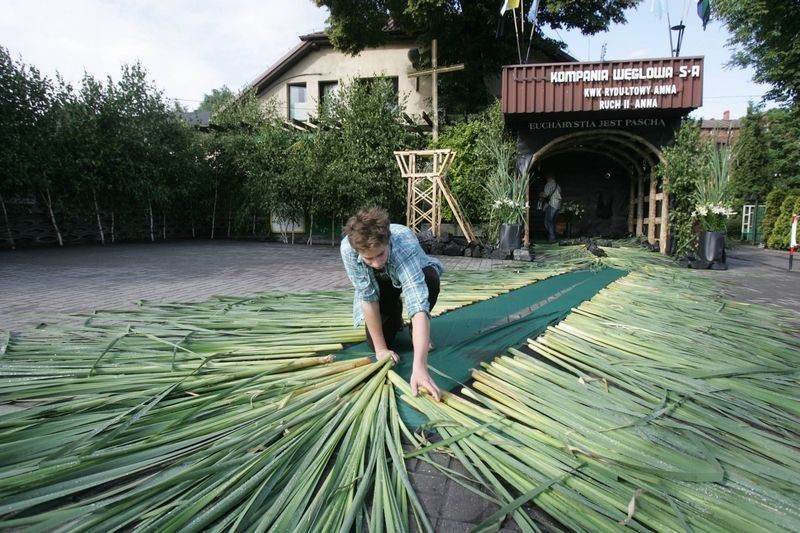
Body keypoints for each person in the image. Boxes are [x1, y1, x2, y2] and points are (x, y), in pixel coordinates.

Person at [340, 206, 443, 401]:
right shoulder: (348, 249)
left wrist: (420, 367)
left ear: (388, 242)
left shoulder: (404, 244)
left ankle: (416, 331)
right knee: (378, 342)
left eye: (380, 254)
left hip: (417, 272)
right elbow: (368, 296)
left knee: (431, 279)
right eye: (369, 258)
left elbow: (417, 300)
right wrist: (381, 349)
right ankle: (394, 311)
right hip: (381, 285)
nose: (377, 263)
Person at [540, 175, 562, 242]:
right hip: (558, 205)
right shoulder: (558, 185)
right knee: (553, 222)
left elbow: (546, 194)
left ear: (548, 177)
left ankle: (552, 238)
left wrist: (540, 194)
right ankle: (554, 236)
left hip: (552, 204)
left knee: (548, 222)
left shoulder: (549, 184)